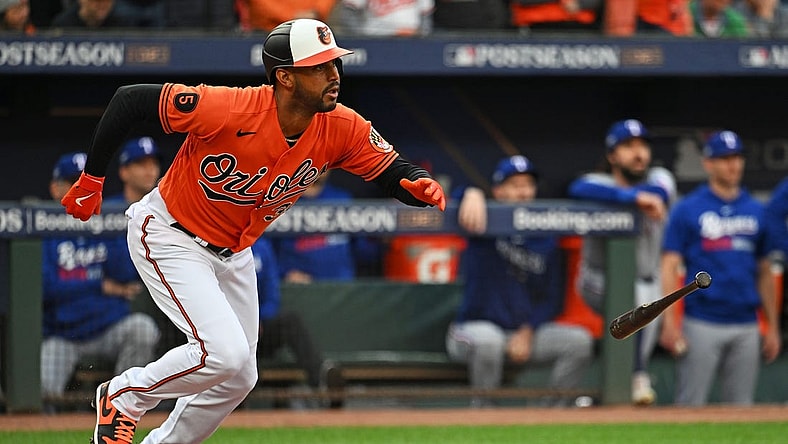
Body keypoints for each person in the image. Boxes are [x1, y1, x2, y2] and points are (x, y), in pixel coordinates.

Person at [59, 18, 445, 444]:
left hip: (234, 252)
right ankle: (123, 397)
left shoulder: (341, 125)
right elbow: (129, 101)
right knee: (224, 353)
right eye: (320, 67)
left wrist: (414, 185)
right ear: (286, 78)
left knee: (239, 376)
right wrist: (93, 177)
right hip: (171, 233)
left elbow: (392, 171)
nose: (334, 75)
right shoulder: (228, 107)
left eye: (335, 64)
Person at [446, 155, 594, 408]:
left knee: (579, 342)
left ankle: (551, 418)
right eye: (515, 185)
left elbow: (552, 299)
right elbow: (449, 202)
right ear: (498, 190)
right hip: (473, 329)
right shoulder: (482, 221)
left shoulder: (545, 236)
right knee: (489, 342)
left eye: (528, 185)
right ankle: (483, 416)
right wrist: (469, 193)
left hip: (524, 334)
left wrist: (528, 331)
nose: (523, 192)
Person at [659, 130, 782, 406]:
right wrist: (670, 322)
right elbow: (669, 266)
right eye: (725, 158)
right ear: (708, 163)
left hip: (746, 322)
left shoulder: (755, 209)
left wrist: (772, 325)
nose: (733, 165)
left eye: (737, 158)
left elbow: (764, 270)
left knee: (741, 410)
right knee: (690, 407)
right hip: (701, 320)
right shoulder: (688, 208)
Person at [567, 119, 677, 405]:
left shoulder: (661, 178)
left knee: (637, 326)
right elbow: (578, 186)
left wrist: (641, 196)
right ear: (612, 156)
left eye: (643, 146)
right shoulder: (598, 183)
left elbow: (661, 192)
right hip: (596, 279)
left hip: (648, 282)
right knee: (634, 301)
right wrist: (632, 197)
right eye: (628, 146)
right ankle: (638, 377)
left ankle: (613, 400)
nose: (638, 153)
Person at [41, 152, 160, 409]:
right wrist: (100, 286)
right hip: (64, 337)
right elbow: (47, 289)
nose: (79, 190)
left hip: (109, 329)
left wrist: (93, 285)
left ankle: (120, 408)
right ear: (55, 188)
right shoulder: (44, 229)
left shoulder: (106, 223)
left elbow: (127, 277)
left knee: (142, 328)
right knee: (41, 390)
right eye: (72, 182)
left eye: (84, 183)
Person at [252, 237, 345, 408]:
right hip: (231, 332)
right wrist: (245, 322)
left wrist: (258, 319)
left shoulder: (262, 247)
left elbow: (272, 297)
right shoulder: (220, 246)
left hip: (261, 330)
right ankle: (238, 398)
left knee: (291, 321)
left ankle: (322, 379)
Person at [274, 171, 377, 283]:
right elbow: (264, 251)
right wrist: (284, 273)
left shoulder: (342, 199)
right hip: (300, 290)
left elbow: (363, 250)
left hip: (342, 289)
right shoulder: (282, 202)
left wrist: (383, 239)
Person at [335, 0, 434, 36]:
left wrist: (421, 35)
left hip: (412, 42)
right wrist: (361, 38)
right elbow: (347, 15)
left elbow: (426, 20)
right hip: (375, 41)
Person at [51, 0, 136, 28]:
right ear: (83, 1)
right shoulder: (63, 25)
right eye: (97, 1)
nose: (103, 5)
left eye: (107, 1)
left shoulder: (122, 24)